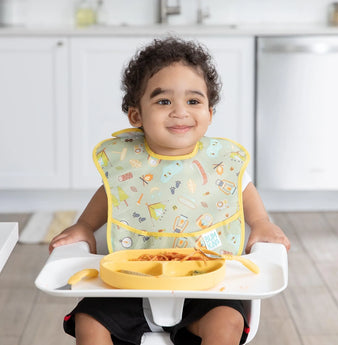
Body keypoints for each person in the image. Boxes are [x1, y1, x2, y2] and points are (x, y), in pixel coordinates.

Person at [50, 36, 290, 345]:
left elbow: (243, 190)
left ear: (210, 113)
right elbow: (110, 195)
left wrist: (261, 223)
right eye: (163, 101)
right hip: (130, 283)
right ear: (136, 115)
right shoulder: (128, 163)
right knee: (88, 321)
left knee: (227, 320)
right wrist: (84, 227)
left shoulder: (221, 163)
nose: (180, 111)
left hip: (205, 281)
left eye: (193, 101)